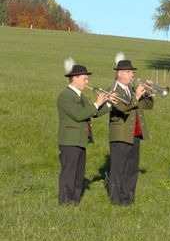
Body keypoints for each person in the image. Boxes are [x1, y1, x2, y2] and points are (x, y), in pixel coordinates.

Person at [57, 58, 111, 205]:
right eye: (84, 79)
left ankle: (74, 202)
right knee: (69, 173)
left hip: (80, 140)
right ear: (74, 79)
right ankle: (65, 203)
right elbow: (79, 114)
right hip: (69, 140)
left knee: (78, 174)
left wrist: (109, 103)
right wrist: (97, 103)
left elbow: (94, 113)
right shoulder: (65, 96)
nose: (87, 82)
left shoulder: (81, 96)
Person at [108, 52, 154, 205]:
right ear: (119, 74)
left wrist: (147, 93)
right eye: (128, 72)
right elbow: (122, 108)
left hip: (135, 134)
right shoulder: (115, 90)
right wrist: (136, 96)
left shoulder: (131, 90)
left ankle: (128, 198)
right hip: (121, 135)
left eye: (132, 72)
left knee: (132, 169)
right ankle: (115, 200)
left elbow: (148, 106)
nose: (131, 75)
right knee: (118, 169)